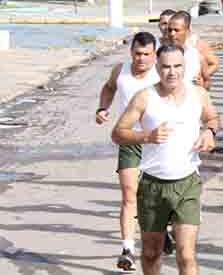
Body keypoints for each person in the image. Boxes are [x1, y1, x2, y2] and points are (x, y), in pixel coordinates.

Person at [111, 45, 220, 275]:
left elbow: (212, 117)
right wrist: (146, 136)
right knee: (151, 253)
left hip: (187, 184)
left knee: (186, 254)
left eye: (177, 66)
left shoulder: (198, 94)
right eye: (166, 67)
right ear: (157, 68)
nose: (172, 72)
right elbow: (118, 133)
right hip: (152, 186)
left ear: (185, 67)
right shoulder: (144, 97)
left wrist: (210, 132)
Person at [96, 32, 160, 271]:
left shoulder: (161, 74)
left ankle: (166, 232)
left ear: (155, 54)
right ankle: (127, 249)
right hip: (129, 138)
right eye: (137, 54)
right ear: (131, 52)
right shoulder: (120, 71)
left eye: (146, 54)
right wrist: (103, 107)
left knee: (157, 197)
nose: (141, 59)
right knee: (129, 194)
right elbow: (109, 87)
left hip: (158, 142)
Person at [167, 11, 218, 89]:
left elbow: (208, 82)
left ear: (187, 31)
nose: (172, 33)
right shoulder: (158, 55)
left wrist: (202, 84)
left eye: (176, 30)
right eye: (170, 30)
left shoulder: (197, 55)